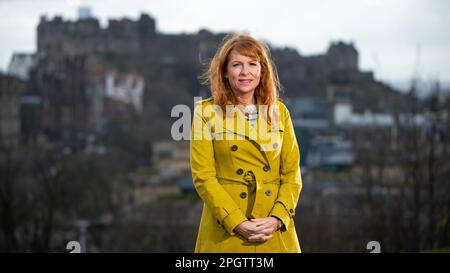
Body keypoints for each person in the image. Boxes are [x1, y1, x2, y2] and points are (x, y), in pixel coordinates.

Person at [190, 33, 303, 253]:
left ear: (262, 71)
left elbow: (292, 175)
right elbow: (203, 177)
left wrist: (278, 217)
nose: (245, 72)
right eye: (236, 65)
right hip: (226, 230)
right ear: (224, 71)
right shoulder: (205, 113)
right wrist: (237, 222)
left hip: (272, 230)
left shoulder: (280, 112)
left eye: (252, 64)